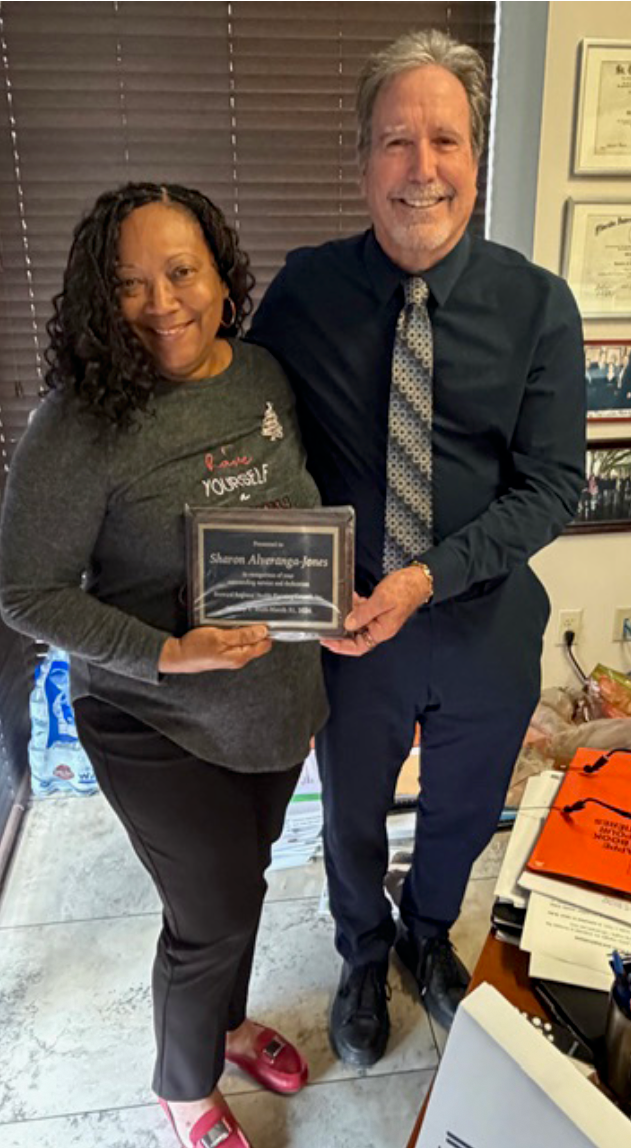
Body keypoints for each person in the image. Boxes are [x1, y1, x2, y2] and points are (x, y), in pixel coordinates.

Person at [249, 29, 586, 1064]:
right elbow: (245, 433)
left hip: (483, 620)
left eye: (444, 139)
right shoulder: (304, 291)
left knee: (462, 806)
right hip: (352, 628)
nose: (421, 166)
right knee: (350, 809)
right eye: (396, 141)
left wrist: (428, 575)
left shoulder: (537, 305)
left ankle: (428, 932)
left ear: (475, 158)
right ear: (361, 162)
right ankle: (361, 951)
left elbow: (551, 486)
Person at [0, 182, 329, 1148]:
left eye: (181, 272)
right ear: (102, 300)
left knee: (244, 882)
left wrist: (329, 605)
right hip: (152, 719)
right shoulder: (76, 425)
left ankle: (225, 1028)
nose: (161, 302)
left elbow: (289, 526)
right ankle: (183, 1089)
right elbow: (30, 594)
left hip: (271, 704)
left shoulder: (264, 378)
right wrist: (168, 652)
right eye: (130, 283)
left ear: (222, 277)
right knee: (213, 906)